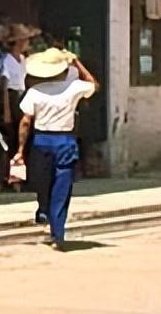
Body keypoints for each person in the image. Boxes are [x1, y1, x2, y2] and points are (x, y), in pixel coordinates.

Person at [10, 48, 100, 250]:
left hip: (42, 140)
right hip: (65, 141)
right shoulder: (74, 87)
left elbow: (25, 122)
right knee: (62, 187)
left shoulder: (34, 92)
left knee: (42, 182)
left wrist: (20, 149)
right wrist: (77, 63)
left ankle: (43, 209)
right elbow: (94, 84)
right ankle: (57, 233)